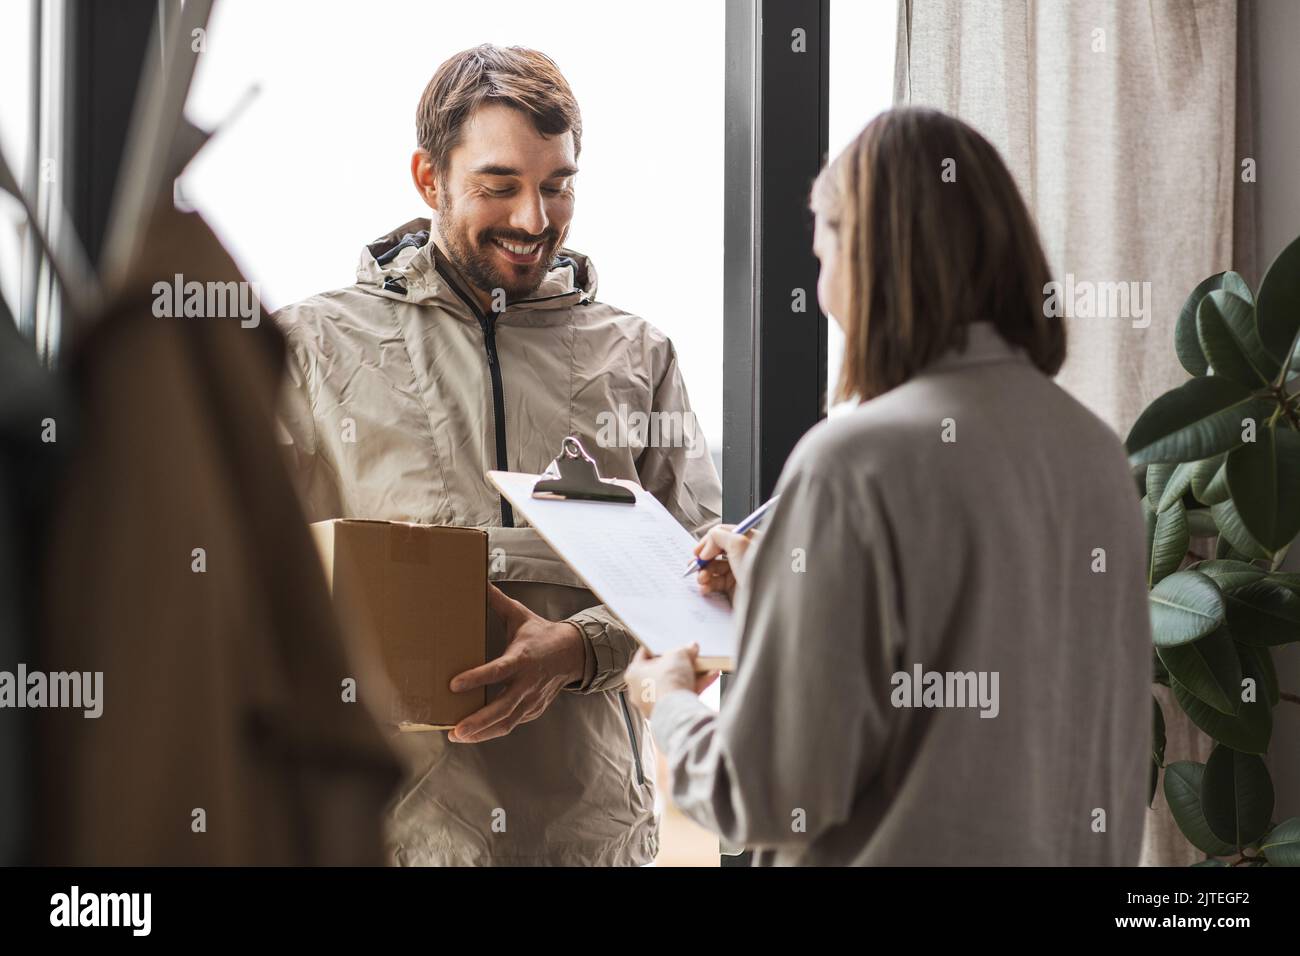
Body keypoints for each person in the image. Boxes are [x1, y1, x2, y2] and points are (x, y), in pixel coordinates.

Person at [626, 107, 1152, 866]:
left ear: (869, 258)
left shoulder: (855, 461)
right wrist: (781, 583)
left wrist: (668, 702)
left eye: (822, 256)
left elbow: (765, 799)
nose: (824, 292)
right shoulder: (1095, 452)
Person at [274, 44, 720, 866]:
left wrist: (578, 646)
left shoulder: (638, 354)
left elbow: (702, 586)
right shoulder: (312, 347)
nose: (534, 219)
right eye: (499, 186)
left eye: (557, 185)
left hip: (586, 834)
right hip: (391, 834)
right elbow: (254, 584)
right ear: (428, 178)